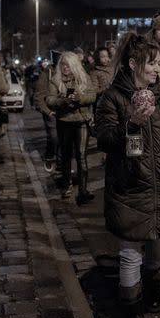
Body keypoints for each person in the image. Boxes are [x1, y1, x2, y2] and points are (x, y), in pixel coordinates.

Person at [95, 34, 160, 318]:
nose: (158, 67)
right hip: (129, 188)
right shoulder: (111, 98)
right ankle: (134, 316)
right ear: (134, 64)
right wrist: (131, 122)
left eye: (159, 61)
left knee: (158, 253)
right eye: (152, 62)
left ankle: (151, 285)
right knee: (130, 255)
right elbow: (105, 139)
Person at [46, 51, 97, 204]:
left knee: (81, 156)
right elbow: (49, 99)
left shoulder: (83, 78)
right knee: (66, 155)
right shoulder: (55, 80)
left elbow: (92, 96)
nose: (65, 68)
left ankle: (83, 190)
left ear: (74, 65)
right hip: (64, 121)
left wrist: (79, 98)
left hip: (81, 121)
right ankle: (67, 186)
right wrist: (62, 101)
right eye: (62, 65)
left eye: (68, 65)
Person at [34, 53, 60, 172]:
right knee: (54, 137)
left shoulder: (70, 72)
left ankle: (62, 164)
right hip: (51, 112)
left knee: (64, 139)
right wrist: (47, 111)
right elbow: (39, 96)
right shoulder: (46, 74)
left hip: (65, 111)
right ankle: (49, 156)